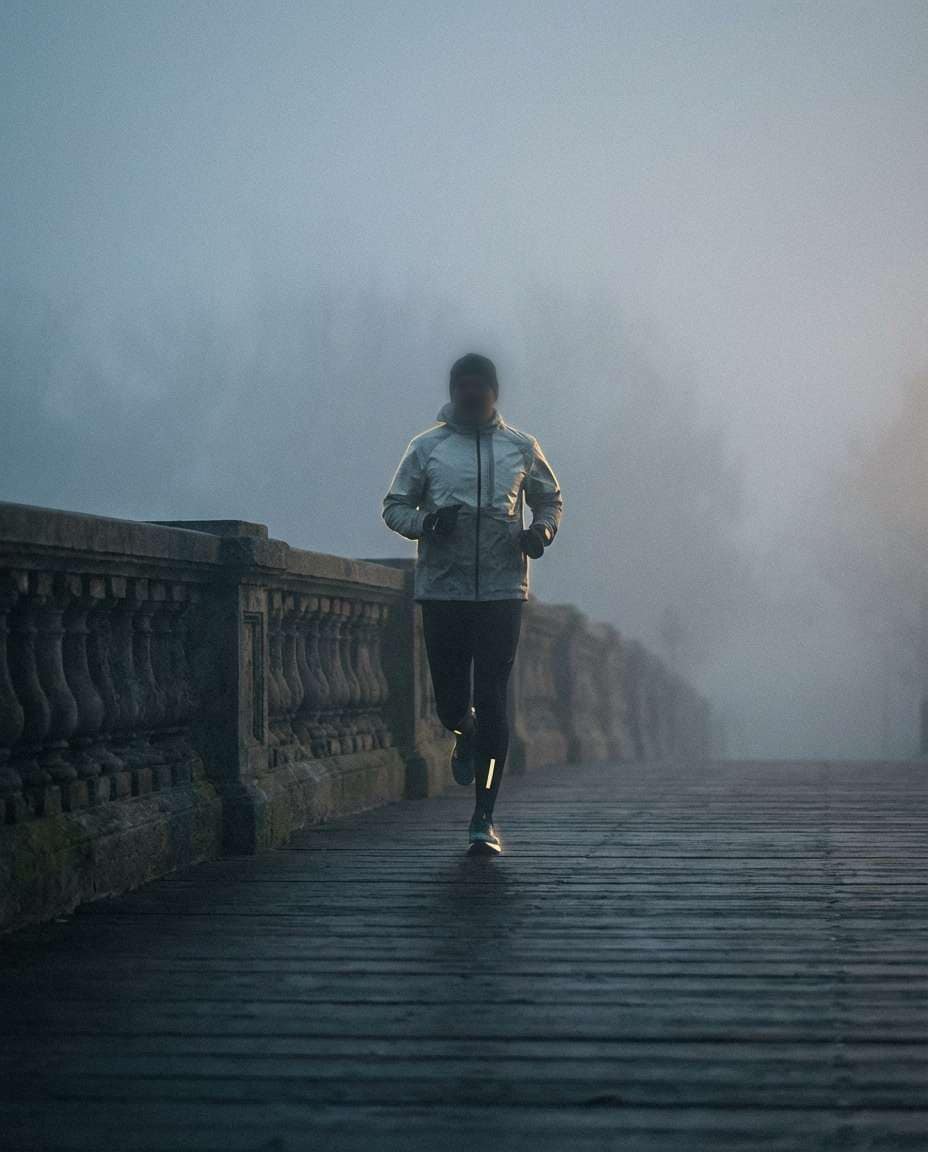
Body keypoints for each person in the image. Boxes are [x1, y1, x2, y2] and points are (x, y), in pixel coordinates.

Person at [382, 353, 563, 853]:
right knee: (450, 704)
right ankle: (462, 730)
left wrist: (540, 531)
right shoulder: (427, 448)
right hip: (443, 590)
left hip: (503, 592)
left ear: (493, 393)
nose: (471, 396)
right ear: (454, 392)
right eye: (464, 388)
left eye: (479, 389)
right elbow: (394, 506)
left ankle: (484, 817)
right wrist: (427, 524)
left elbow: (550, 499)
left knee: (494, 696)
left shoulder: (521, 448)